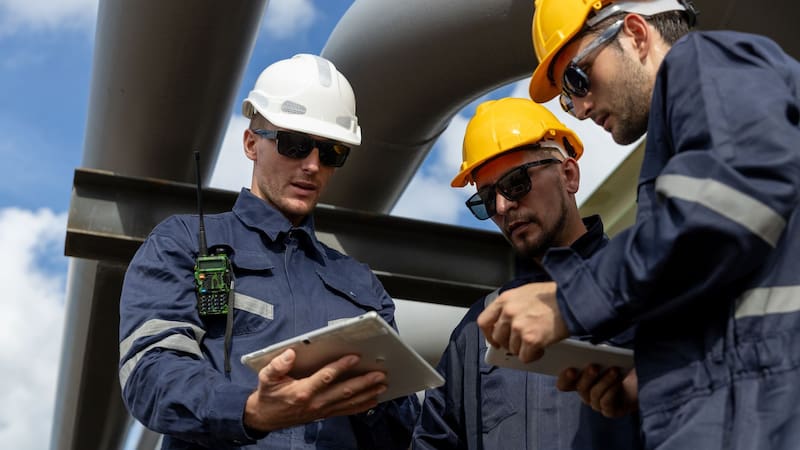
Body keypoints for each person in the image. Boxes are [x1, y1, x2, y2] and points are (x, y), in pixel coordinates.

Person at [479, 0, 800, 449]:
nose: (581, 108)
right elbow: (726, 283)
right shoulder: (678, 157)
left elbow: (726, 208)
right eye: (568, 99)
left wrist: (568, 300)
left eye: (577, 78)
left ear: (635, 33)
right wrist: (651, 378)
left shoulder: (703, 62)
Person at [118, 54, 419, 449]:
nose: (312, 165)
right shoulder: (184, 244)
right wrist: (249, 411)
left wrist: (373, 400)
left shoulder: (361, 285)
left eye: (331, 152)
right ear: (251, 144)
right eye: (295, 145)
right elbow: (151, 371)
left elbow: (404, 430)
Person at [412, 97, 642, 449]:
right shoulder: (478, 329)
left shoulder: (641, 285)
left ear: (569, 175)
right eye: (486, 199)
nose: (503, 206)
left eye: (516, 183)